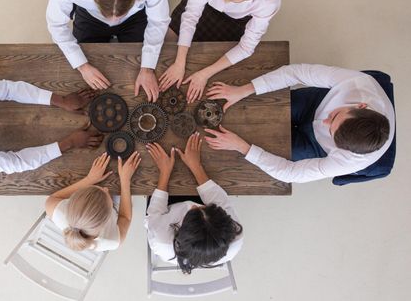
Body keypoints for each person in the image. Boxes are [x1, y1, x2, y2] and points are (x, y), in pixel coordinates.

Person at [204, 64, 395, 183]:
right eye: (335, 116)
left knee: (268, 146)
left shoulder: (348, 161)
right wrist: (244, 90)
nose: (325, 122)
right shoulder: (358, 84)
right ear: (361, 105)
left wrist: (242, 147)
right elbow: (296, 73)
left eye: (332, 131)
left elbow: (290, 173)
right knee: (261, 105)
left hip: (316, 145)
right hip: (317, 104)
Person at [46, 0, 170, 102]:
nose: (113, 22)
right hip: (91, 17)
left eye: (118, 16)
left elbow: (158, 22)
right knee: (87, 56)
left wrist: (147, 68)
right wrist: (82, 66)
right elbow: (56, 24)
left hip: (134, 17)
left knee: (137, 57)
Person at [159, 0, 281, 104]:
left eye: (233, 1)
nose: (223, 2)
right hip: (205, 1)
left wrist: (204, 74)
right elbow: (191, 15)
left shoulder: (268, 2)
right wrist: (179, 62)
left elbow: (246, 47)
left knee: (216, 55)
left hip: (235, 20)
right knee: (168, 39)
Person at [145, 133, 243, 274]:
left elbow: (155, 211)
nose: (193, 205)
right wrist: (195, 165)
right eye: (204, 207)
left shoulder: (161, 240)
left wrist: (165, 171)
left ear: (180, 232)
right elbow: (218, 198)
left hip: (166, 212)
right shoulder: (234, 233)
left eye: (193, 211)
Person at [45, 152, 141, 251]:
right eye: (107, 193)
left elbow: (56, 196)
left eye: (95, 188)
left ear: (75, 198)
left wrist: (90, 179)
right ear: (109, 215)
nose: (106, 189)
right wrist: (125, 181)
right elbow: (125, 217)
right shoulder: (113, 240)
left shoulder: (55, 209)